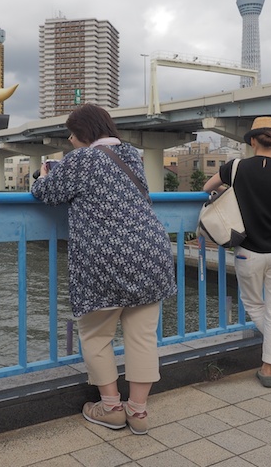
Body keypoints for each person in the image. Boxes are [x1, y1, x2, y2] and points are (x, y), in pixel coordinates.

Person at [31, 104, 176, 435]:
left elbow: (47, 193)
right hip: (151, 252)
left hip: (105, 259)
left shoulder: (81, 160)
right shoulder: (132, 155)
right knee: (142, 337)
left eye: (71, 133)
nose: (69, 140)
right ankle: (138, 413)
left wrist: (42, 175)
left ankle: (110, 407)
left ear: (83, 133)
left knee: (96, 334)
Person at [203, 116, 271, 388]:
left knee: (255, 305)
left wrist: (233, 193)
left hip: (250, 252)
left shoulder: (236, 168)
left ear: (252, 140)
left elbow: (207, 187)